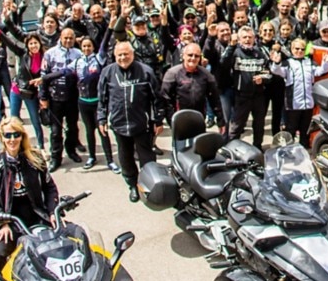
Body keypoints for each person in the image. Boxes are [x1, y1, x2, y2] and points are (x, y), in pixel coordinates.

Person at [0, 116, 58, 281]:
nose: (13, 139)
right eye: (8, 135)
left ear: (22, 136)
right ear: (2, 137)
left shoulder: (35, 159)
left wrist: (52, 211)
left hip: (36, 217)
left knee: (57, 248)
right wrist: (2, 222)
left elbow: (50, 187)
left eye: (17, 134)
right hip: (9, 221)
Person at [97, 42, 161, 202]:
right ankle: (133, 185)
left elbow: (157, 98)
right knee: (125, 158)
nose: (123, 57)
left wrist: (158, 120)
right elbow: (102, 98)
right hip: (119, 125)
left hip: (141, 125)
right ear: (115, 56)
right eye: (119, 55)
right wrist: (102, 117)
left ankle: (151, 186)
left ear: (132, 54)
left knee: (147, 158)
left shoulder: (146, 72)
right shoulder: (107, 72)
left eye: (126, 54)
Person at [272, 39, 328, 145]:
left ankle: (304, 151)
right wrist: (276, 63)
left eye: (302, 49)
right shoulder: (287, 63)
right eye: (297, 49)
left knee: (305, 130)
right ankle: (289, 152)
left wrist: (326, 63)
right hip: (293, 104)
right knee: (291, 129)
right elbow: (277, 71)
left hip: (308, 104)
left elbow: (321, 71)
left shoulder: (309, 62)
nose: (299, 51)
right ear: (292, 49)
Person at [223, 26, 273, 150]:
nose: (247, 40)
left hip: (258, 96)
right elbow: (223, 63)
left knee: (259, 125)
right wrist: (231, 46)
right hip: (241, 95)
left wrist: (263, 79)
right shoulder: (234, 52)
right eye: (244, 37)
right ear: (239, 39)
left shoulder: (260, 53)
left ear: (254, 39)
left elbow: (269, 73)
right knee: (237, 125)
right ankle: (232, 148)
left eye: (250, 37)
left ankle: (257, 147)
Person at [39, 28, 82, 168]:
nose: (68, 41)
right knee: (56, 131)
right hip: (55, 97)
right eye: (66, 38)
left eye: (71, 38)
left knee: (73, 128)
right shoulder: (49, 54)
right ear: (61, 38)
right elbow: (43, 77)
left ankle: (71, 151)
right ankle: (56, 157)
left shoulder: (79, 54)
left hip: (72, 97)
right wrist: (43, 97)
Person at [160, 45, 226, 133]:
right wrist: (168, 119)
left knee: (198, 145)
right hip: (179, 120)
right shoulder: (172, 73)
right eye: (190, 55)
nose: (193, 58)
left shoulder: (206, 75)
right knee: (182, 146)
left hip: (199, 119)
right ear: (183, 55)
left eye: (196, 56)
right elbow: (164, 98)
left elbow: (214, 98)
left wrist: (220, 120)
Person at [74, 36, 114, 170]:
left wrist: (111, 26)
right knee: (89, 131)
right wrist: (43, 79)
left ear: (93, 47)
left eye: (89, 46)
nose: (86, 48)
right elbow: (62, 72)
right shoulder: (77, 62)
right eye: (84, 46)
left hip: (98, 102)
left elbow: (105, 42)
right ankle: (92, 157)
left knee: (103, 131)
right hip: (83, 102)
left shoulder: (98, 58)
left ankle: (110, 160)